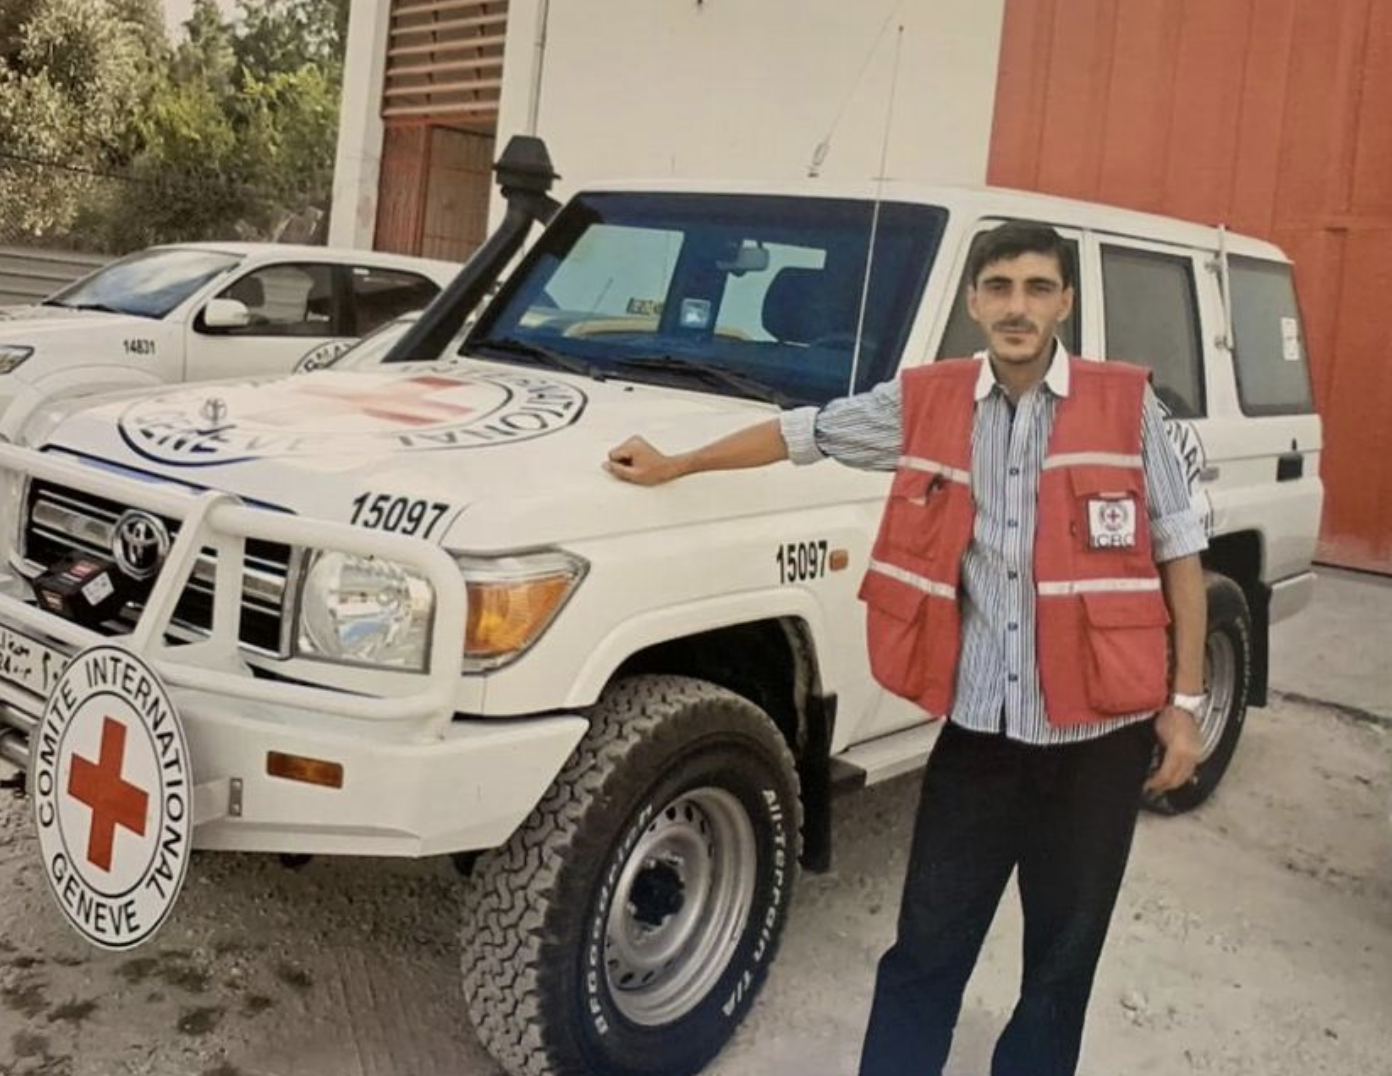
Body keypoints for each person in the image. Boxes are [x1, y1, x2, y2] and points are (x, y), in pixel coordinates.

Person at [604, 220, 1207, 1076]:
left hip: (1095, 744)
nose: (1017, 307)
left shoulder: (1127, 406)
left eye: (1038, 288)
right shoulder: (927, 400)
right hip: (980, 740)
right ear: (972, 301)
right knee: (925, 951)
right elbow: (802, 434)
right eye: (999, 288)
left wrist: (1183, 709)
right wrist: (678, 465)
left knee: (1059, 973)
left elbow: (1182, 553)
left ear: (1065, 302)